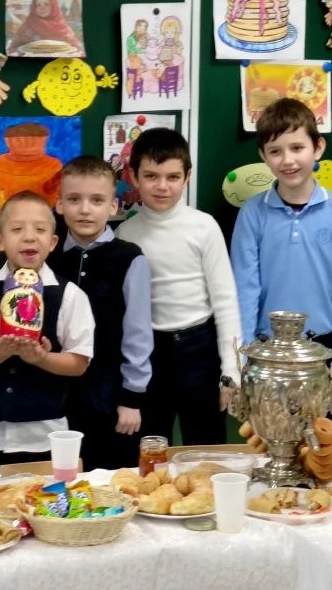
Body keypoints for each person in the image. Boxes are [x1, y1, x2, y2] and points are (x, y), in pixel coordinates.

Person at [0, 191, 94, 465]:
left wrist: (42, 358)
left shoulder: (70, 295)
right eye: (17, 229)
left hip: (46, 435)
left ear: (52, 242)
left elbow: (79, 363)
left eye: (40, 229)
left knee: (47, 493)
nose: (29, 237)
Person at [116, 128, 241, 445]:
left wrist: (231, 372)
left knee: (206, 447)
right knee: (150, 446)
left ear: (187, 177)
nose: (162, 186)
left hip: (200, 350)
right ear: (133, 177)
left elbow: (225, 301)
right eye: (151, 176)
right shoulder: (125, 235)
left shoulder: (204, 226)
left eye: (172, 177)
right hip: (149, 354)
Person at [230, 98, 332, 380]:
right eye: (275, 151)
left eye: (297, 148)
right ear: (263, 155)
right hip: (265, 350)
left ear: (318, 148)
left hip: (323, 349)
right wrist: (244, 354)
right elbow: (245, 289)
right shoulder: (252, 213)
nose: (287, 160)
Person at [48, 156, 153, 469]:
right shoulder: (47, 257)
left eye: (96, 200)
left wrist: (131, 398)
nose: (85, 209)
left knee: (111, 480)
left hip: (111, 396)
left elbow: (138, 334)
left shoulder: (129, 259)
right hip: (57, 395)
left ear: (113, 206)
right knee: (61, 478)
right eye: (74, 199)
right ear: (59, 204)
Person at [7, 0, 83, 55]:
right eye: (38, 5)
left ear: (53, 6)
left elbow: (78, 50)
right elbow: (12, 49)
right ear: (34, 7)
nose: (42, 8)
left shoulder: (63, 28)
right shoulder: (27, 27)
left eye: (46, 4)